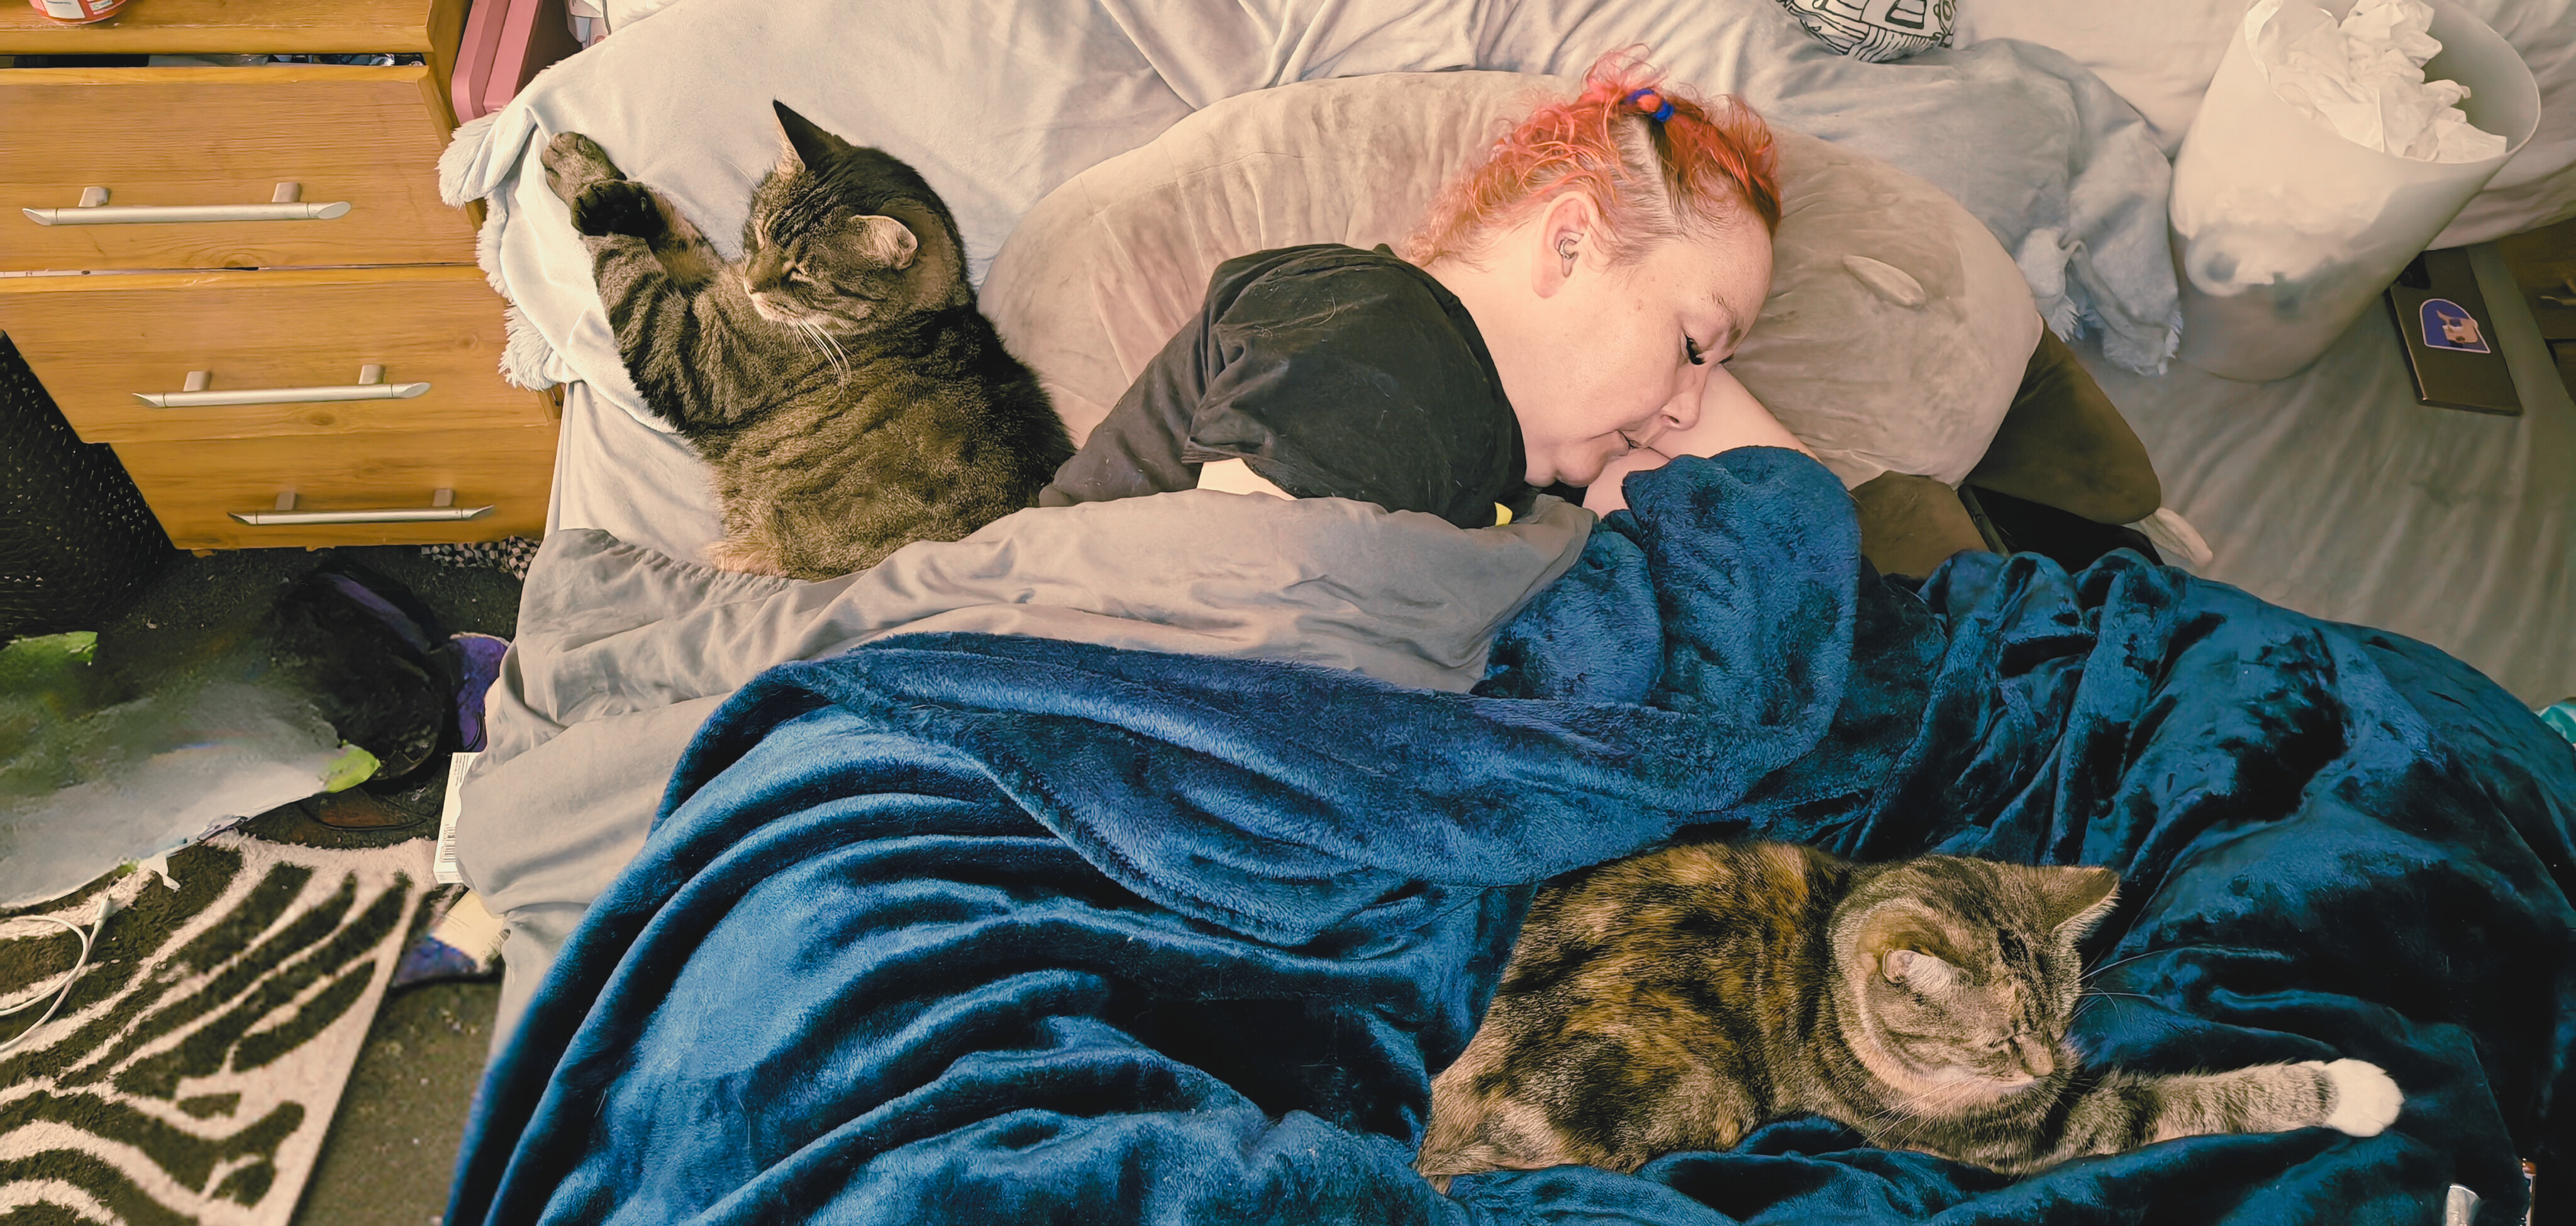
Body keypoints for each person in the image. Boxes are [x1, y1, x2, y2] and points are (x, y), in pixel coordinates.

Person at [1038, 55, 1807, 527]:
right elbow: (1243, 638)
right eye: (1690, 347)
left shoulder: (1511, 456)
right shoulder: (1376, 333)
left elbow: (1793, 516)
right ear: (1571, 244)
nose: (1688, 407)